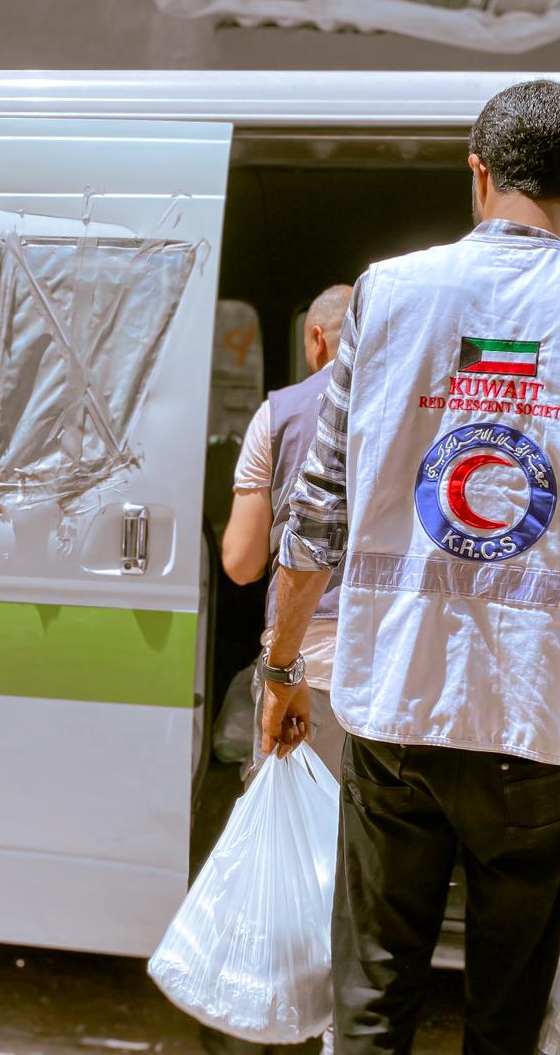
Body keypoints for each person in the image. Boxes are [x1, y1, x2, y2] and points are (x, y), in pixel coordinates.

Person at [259, 80, 560, 1055]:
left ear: (477, 170)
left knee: (371, 1007)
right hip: (538, 732)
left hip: (394, 709)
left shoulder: (385, 293)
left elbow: (314, 516)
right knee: (508, 1020)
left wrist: (282, 670)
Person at [220, 285, 354, 779]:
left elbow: (241, 563)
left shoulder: (279, 413)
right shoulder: (418, 412)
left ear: (317, 339)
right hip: (393, 671)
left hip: (305, 666)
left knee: (294, 842)